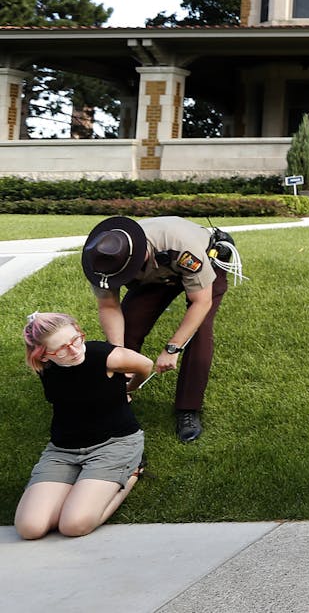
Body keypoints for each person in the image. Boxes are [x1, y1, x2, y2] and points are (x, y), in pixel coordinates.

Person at [83, 215, 237, 443]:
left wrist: (172, 348)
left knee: (199, 331)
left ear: (140, 255)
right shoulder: (100, 258)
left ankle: (188, 409)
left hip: (204, 264)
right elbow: (108, 305)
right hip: (155, 276)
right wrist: (120, 351)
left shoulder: (183, 247)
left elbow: (201, 302)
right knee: (129, 325)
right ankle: (117, 397)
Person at [15, 312, 154, 539]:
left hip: (114, 443)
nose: (74, 350)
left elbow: (145, 365)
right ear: (43, 355)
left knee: (73, 526)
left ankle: (133, 473)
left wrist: (128, 389)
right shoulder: (46, 369)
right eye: (61, 348)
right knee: (30, 528)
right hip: (63, 450)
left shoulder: (106, 356)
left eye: (76, 339)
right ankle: (77, 487)